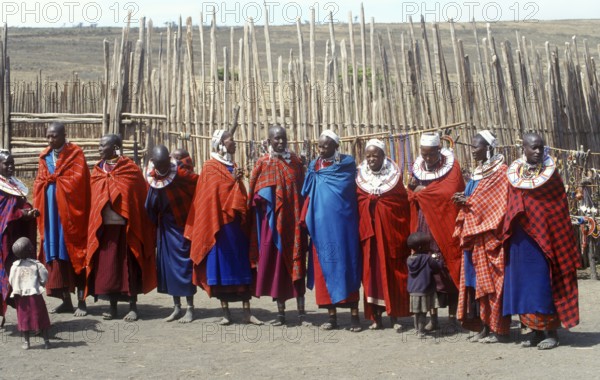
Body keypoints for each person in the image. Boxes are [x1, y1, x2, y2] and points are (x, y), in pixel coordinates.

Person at [502, 132, 579, 350]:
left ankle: (551, 332)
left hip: (545, 238)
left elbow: (557, 207)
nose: (538, 151)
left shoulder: (551, 175)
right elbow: (511, 202)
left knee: (543, 282)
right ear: (523, 149)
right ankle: (533, 331)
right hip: (521, 238)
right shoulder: (514, 173)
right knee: (524, 284)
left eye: (541, 147)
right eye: (533, 148)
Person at [185, 130, 262, 325]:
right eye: (231, 141)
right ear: (220, 144)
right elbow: (208, 199)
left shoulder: (233, 166)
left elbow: (240, 196)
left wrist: (237, 181)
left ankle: (247, 312)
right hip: (217, 227)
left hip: (237, 227)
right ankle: (226, 313)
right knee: (221, 268)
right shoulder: (210, 168)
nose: (234, 143)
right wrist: (232, 183)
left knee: (242, 265)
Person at [85, 134, 157, 321]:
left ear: (115, 147)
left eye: (103, 145)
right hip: (105, 228)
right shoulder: (98, 171)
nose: (100, 148)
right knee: (108, 270)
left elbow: (138, 198)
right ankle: (112, 306)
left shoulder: (129, 170)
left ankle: (132, 306)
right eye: (99, 145)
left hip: (126, 228)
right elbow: (93, 199)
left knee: (128, 268)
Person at [301, 130, 362, 332]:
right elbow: (307, 191)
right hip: (321, 227)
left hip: (344, 226)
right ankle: (331, 317)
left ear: (336, 146)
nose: (321, 149)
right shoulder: (314, 166)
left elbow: (350, 191)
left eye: (325, 146)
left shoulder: (347, 164)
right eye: (319, 146)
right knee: (323, 267)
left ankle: (354, 317)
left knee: (347, 265)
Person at [453, 131, 511, 343]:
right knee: (477, 283)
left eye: (476, 146)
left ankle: (500, 330)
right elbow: (474, 197)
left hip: (491, 235)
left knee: (495, 283)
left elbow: (499, 204)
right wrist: (463, 199)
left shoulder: (501, 172)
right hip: (473, 234)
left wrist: (469, 202)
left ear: (488, 148)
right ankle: (484, 327)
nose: (473, 150)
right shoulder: (479, 172)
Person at [248, 124, 308, 325]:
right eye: (276, 139)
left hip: (294, 219)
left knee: (297, 261)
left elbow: (303, 189)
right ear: (269, 141)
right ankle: (280, 314)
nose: (281, 142)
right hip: (271, 225)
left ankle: (301, 313)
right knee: (277, 267)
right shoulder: (263, 163)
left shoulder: (296, 162)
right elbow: (253, 193)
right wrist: (263, 199)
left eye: (283, 138)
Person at [407, 132, 464, 331]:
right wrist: (414, 189)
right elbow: (412, 192)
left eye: (431, 154)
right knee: (427, 271)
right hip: (425, 223)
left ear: (439, 150)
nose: (428, 158)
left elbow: (450, 192)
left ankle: (452, 318)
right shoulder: (418, 168)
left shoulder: (452, 167)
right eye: (424, 154)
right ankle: (434, 318)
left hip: (445, 222)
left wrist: (425, 192)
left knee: (447, 266)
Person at [33, 122, 90, 316]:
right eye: (48, 136)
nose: (50, 140)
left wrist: (58, 182)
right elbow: (40, 182)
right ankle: (66, 300)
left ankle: (81, 302)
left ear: (64, 135)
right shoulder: (45, 156)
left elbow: (79, 183)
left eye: (54, 136)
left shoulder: (75, 155)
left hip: (71, 216)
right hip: (50, 216)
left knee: (75, 253)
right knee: (55, 254)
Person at [356, 139, 411, 330]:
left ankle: (395, 317)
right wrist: (369, 203)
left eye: (375, 155)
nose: (371, 159)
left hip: (389, 236)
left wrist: (380, 206)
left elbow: (401, 206)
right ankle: (376, 318)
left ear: (383, 156)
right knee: (371, 275)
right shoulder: (361, 179)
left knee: (392, 272)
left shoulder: (393, 180)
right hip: (370, 236)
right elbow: (358, 203)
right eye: (368, 156)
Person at [145, 145, 198, 323]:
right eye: (158, 165)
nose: (161, 168)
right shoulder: (154, 178)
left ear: (169, 159)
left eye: (164, 164)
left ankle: (190, 307)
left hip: (183, 225)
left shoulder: (182, 175)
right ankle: (177, 307)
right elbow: (150, 206)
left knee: (185, 266)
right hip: (166, 228)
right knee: (168, 268)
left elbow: (196, 186)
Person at [0, 150, 39, 328]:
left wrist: (30, 212)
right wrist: (21, 213)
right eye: (6, 163)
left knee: (20, 276)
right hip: (4, 240)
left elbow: (22, 205)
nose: (10, 167)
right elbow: (5, 214)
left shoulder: (16, 185)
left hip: (17, 240)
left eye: (12, 163)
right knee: (5, 275)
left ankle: (27, 318)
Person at [8, 237, 51, 349]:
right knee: (41, 317)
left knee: (24, 319)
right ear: (29, 250)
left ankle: (27, 343)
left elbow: (11, 280)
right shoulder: (36, 264)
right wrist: (40, 284)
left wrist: (18, 287)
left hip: (21, 297)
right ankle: (46, 342)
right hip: (35, 295)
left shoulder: (14, 266)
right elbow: (44, 276)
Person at [406, 232, 442, 338]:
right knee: (423, 312)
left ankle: (417, 329)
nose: (429, 246)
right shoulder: (427, 258)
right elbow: (437, 268)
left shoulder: (409, 259)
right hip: (424, 290)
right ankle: (421, 332)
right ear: (421, 247)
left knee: (417, 312)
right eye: (427, 244)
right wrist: (437, 259)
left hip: (413, 291)